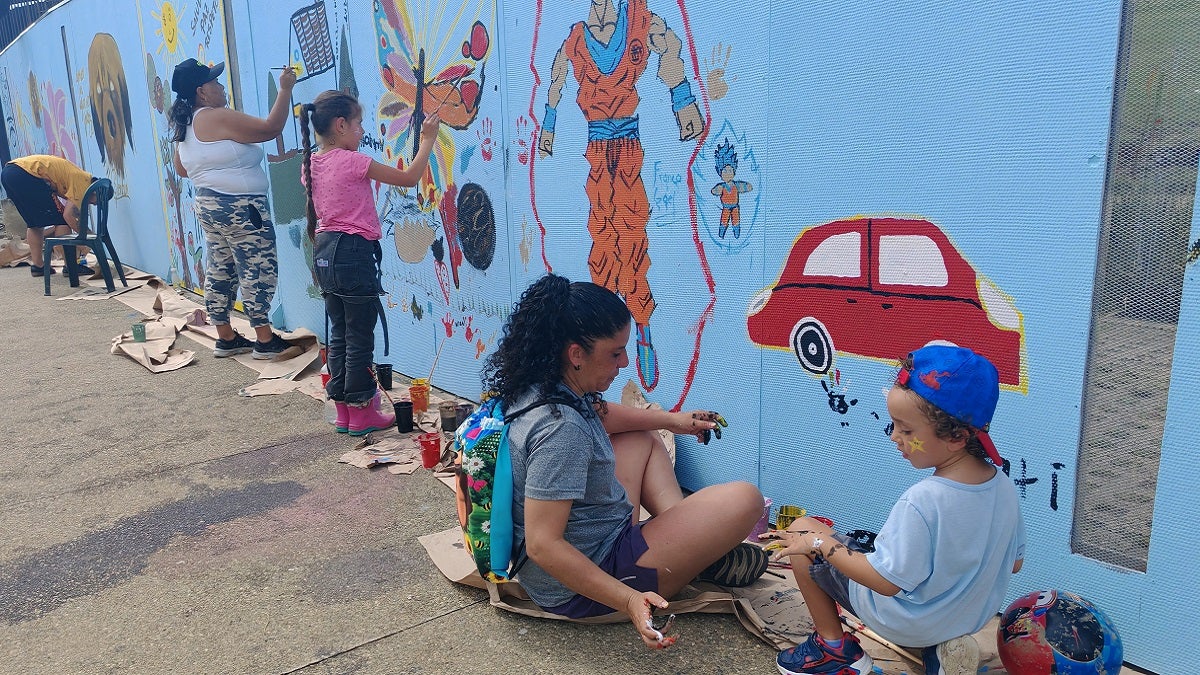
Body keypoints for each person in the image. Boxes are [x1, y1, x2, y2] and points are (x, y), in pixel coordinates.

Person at [483, 273, 768, 649]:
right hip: (591, 583)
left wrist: (675, 421)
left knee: (641, 438)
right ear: (576, 354)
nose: (625, 362)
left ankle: (695, 548)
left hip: (597, 540)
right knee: (745, 498)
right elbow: (542, 545)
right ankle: (697, 554)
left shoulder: (545, 384)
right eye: (615, 353)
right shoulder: (559, 431)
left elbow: (605, 416)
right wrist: (629, 600)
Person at [761, 344, 1026, 675]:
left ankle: (833, 649)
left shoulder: (923, 500)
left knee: (802, 528)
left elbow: (885, 582)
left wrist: (819, 544)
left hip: (904, 622)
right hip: (967, 617)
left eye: (907, 429)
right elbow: (1014, 563)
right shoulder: (1003, 486)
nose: (895, 437)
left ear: (956, 436)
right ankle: (940, 651)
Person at [538, 0, 706, 392]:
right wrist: (548, 126)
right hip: (597, 151)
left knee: (632, 237)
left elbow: (669, 46)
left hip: (628, 147)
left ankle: (642, 325)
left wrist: (684, 100)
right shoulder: (578, 37)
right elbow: (557, 76)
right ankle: (604, 336)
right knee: (602, 241)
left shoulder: (638, 20)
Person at [298, 90, 439, 435]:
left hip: (325, 254)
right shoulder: (352, 161)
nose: (363, 131)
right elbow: (408, 179)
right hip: (353, 253)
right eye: (359, 123)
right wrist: (428, 141)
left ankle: (345, 410)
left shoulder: (311, 164)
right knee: (360, 336)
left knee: (342, 334)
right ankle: (362, 410)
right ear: (341, 124)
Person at [170, 58, 296, 359]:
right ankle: (264, 339)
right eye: (215, 82)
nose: (221, 85)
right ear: (202, 91)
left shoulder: (185, 124)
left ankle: (225, 336)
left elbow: (182, 168)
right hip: (242, 206)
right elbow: (271, 128)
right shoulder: (214, 116)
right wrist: (285, 90)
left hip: (209, 204)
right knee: (257, 266)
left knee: (221, 267)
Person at [1, 154, 96, 277]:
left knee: (34, 223)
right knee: (62, 221)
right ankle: (71, 266)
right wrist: (88, 237)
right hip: (26, 174)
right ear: (94, 192)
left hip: (9, 173)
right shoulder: (84, 182)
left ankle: (38, 266)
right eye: (96, 202)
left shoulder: (76, 179)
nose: (94, 205)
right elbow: (69, 215)